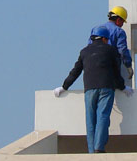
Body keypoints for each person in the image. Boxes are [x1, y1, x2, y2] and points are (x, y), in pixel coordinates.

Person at [55, 25, 129, 153]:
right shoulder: (110, 50)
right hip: (106, 88)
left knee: (90, 120)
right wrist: (123, 87)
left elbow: (75, 71)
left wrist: (64, 87)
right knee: (103, 116)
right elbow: (116, 72)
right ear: (105, 39)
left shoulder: (84, 52)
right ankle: (99, 147)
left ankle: (91, 150)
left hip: (89, 89)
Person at [90, 6, 133, 83]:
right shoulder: (119, 31)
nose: (122, 24)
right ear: (118, 20)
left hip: (94, 65)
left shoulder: (95, 29)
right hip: (111, 66)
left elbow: (90, 47)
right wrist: (128, 65)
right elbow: (122, 50)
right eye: (122, 22)